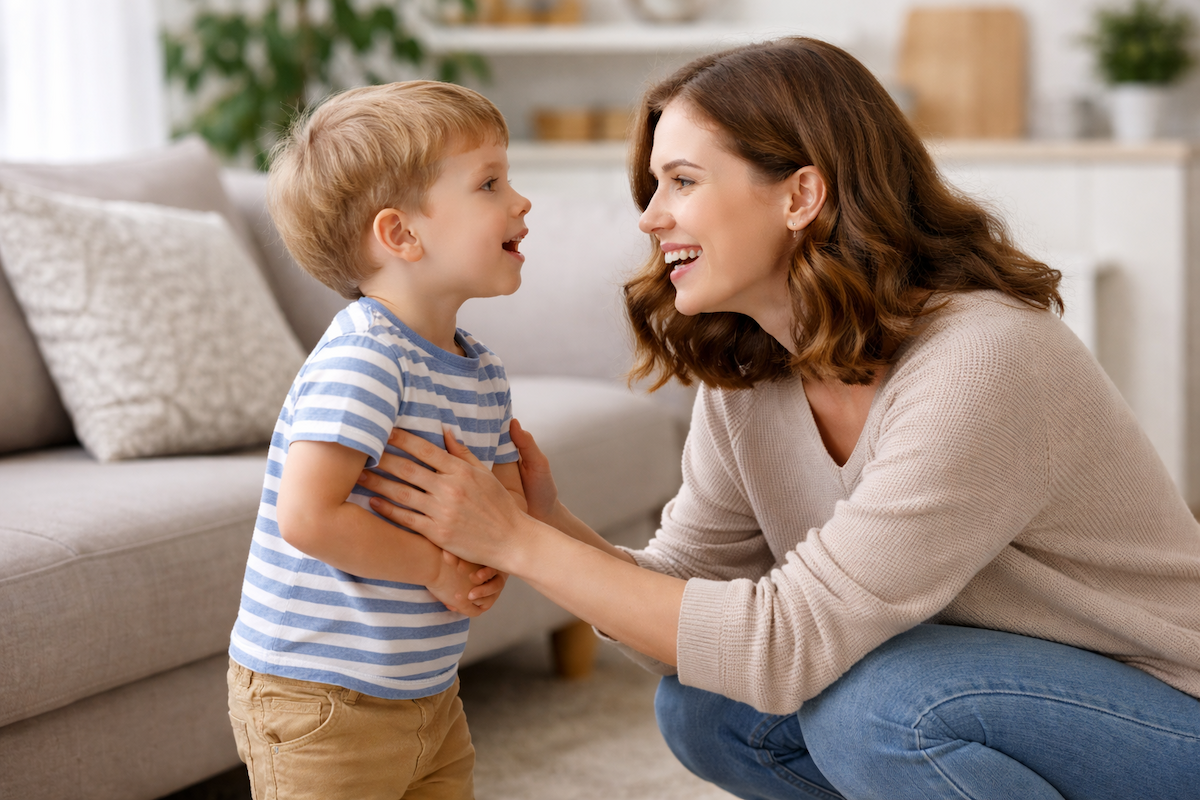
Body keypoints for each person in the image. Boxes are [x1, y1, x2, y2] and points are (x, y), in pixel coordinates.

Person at [357, 38, 1200, 800]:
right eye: (655, 185)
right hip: (992, 691)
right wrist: (548, 525)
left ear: (800, 194)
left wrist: (514, 540)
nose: (650, 217)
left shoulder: (983, 358)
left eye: (682, 181)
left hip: (1165, 708)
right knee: (703, 705)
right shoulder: (750, 370)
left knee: (878, 707)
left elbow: (785, 643)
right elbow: (689, 611)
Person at [226, 81, 532, 800]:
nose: (521, 201)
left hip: (426, 692)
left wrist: (496, 554)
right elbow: (309, 516)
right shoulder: (365, 358)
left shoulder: (480, 370)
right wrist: (436, 567)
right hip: (319, 696)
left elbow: (506, 511)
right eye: (490, 183)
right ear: (400, 235)